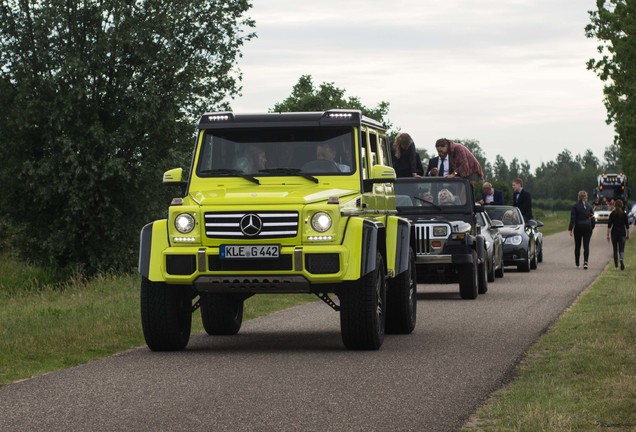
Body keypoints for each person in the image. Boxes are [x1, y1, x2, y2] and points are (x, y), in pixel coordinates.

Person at [568, 190, 595, 269]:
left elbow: (573, 218)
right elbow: (592, 218)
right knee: (586, 245)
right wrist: (592, 227)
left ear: (578, 197)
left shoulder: (575, 206)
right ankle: (585, 262)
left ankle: (577, 263)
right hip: (587, 227)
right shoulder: (589, 206)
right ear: (586, 197)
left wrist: (570, 229)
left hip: (578, 227)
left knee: (577, 246)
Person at [607, 199, 630, 270]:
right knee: (621, 248)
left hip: (614, 233)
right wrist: (628, 235)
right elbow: (627, 226)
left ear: (614, 205)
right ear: (622, 205)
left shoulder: (612, 214)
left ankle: (616, 266)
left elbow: (609, 226)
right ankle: (621, 260)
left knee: (615, 249)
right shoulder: (624, 214)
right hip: (622, 233)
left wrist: (607, 235)